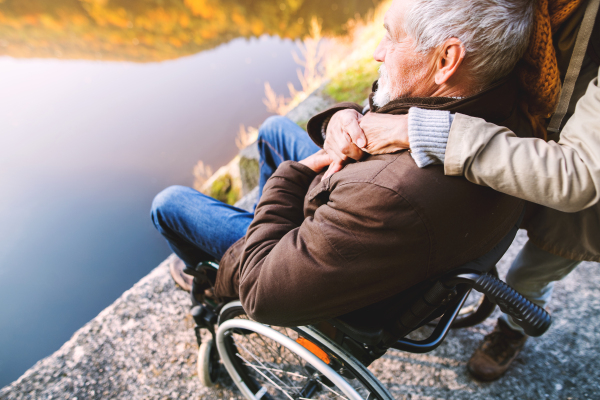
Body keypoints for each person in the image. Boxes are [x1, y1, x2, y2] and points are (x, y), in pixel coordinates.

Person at [151, 0, 534, 329]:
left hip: (298, 254)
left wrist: (292, 175)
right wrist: (340, 120)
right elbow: (391, 106)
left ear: (446, 59)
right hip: (363, 219)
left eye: (392, 37)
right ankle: (257, 225)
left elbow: (262, 293)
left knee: (169, 204)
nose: (377, 52)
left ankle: (211, 286)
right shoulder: (500, 102)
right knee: (273, 130)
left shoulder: (388, 196)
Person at [320, 0, 600, 381]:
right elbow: (422, 53)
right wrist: (354, 116)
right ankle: (425, 301)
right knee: (467, 236)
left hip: (583, 195)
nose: (375, 53)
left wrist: (424, 131)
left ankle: (510, 331)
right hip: (502, 140)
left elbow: (581, 175)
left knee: (529, 276)